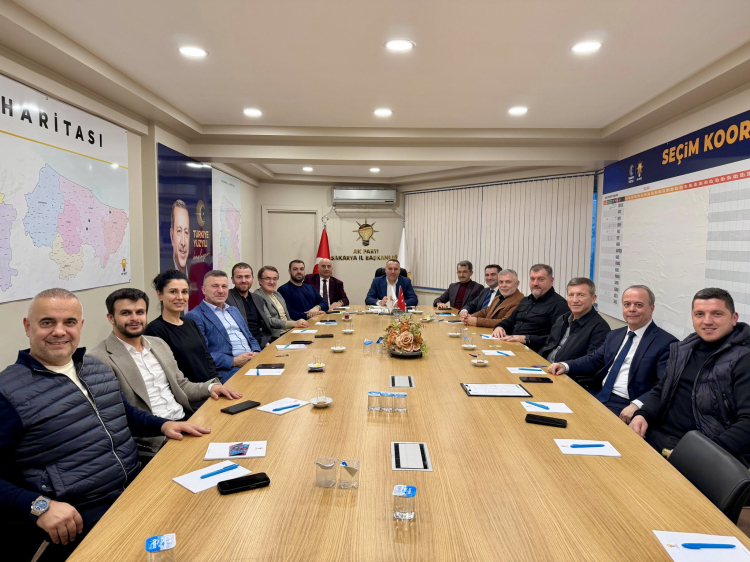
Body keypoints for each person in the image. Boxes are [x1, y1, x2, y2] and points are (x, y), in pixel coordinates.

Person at [0, 289, 209, 562]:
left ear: (81, 326)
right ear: (28, 327)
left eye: (69, 322)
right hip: (83, 514)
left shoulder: (95, 368)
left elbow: (124, 412)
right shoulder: (8, 392)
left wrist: (164, 425)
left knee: (205, 525)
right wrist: (39, 506)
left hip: (137, 485)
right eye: (47, 322)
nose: (59, 331)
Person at [90, 288, 242, 452]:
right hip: (156, 436)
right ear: (111, 318)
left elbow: (181, 385)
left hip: (185, 420)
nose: (134, 318)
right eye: (126, 313)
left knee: (239, 435)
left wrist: (211, 387)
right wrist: (163, 430)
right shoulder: (99, 359)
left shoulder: (158, 344)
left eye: (140, 312)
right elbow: (119, 415)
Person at [630, 288, 750, 458]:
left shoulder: (744, 358)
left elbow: (747, 422)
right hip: (656, 435)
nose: (707, 321)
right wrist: (643, 415)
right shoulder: (683, 349)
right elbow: (661, 391)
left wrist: (700, 453)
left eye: (717, 314)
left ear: (734, 318)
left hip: (703, 450)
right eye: (699, 314)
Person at [548, 285, 676, 420]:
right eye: (627, 304)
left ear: (652, 308)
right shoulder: (615, 335)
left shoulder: (666, 343)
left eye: (638, 305)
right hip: (598, 394)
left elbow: (665, 384)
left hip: (626, 404)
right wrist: (565, 365)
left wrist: (638, 404)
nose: (632, 309)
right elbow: (594, 359)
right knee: (554, 411)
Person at [144, 270, 219, 385]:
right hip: (187, 392)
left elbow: (207, 359)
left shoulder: (190, 323)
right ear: (160, 295)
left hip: (209, 388)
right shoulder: (154, 330)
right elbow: (166, 375)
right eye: (173, 292)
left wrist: (216, 383)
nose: (180, 297)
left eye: (184, 292)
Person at [186, 270, 261, 382]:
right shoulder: (195, 316)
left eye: (224, 286)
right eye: (215, 286)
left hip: (253, 362)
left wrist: (257, 353)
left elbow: (250, 338)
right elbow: (201, 354)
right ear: (204, 290)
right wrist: (234, 361)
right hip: (229, 369)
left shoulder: (233, 310)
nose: (220, 291)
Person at [491, 264, 570, 351]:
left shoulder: (560, 304)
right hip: (511, 346)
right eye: (532, 279)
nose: (535, 283)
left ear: (551, 281)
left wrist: (525, 338)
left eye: (541, 279)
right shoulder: (526, 300)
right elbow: (509, 321)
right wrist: (500, 327)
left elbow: (555, 339)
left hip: (534, 352)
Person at [537, 278, 611, 362]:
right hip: (545, 365)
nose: (575, 300)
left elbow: (593, 362)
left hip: (565, 370)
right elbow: (548, 345)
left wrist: (564, 366)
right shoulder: (563, 318)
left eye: (581, 295)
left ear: (593, 298)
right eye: (571, 295)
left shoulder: (600, 328)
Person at [225, 263, 273, 347]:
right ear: (232, 280)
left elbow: (264, 327)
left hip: (262, 343)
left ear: (252, 279)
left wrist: (265, 343)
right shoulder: (226, 298)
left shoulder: (258, 299)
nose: (244, 280)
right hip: (241, 346)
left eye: (247, 277)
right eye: (239, 277)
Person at [254, 266, 309, 339]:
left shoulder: (277, 294)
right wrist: (293, 323)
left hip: (289, 331)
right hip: (276, 335)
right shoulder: (257, 296)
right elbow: (269, 320)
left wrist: (300, 323)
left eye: (274, 279)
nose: (272, 282)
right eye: (268, 278)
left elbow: (287, 317)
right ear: (260, 280)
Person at [170, 199, 190, 275]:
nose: (183, 243)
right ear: (172, 237)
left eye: (186, 232)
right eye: (179, 231)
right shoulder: (166, 278)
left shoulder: (195, 274)